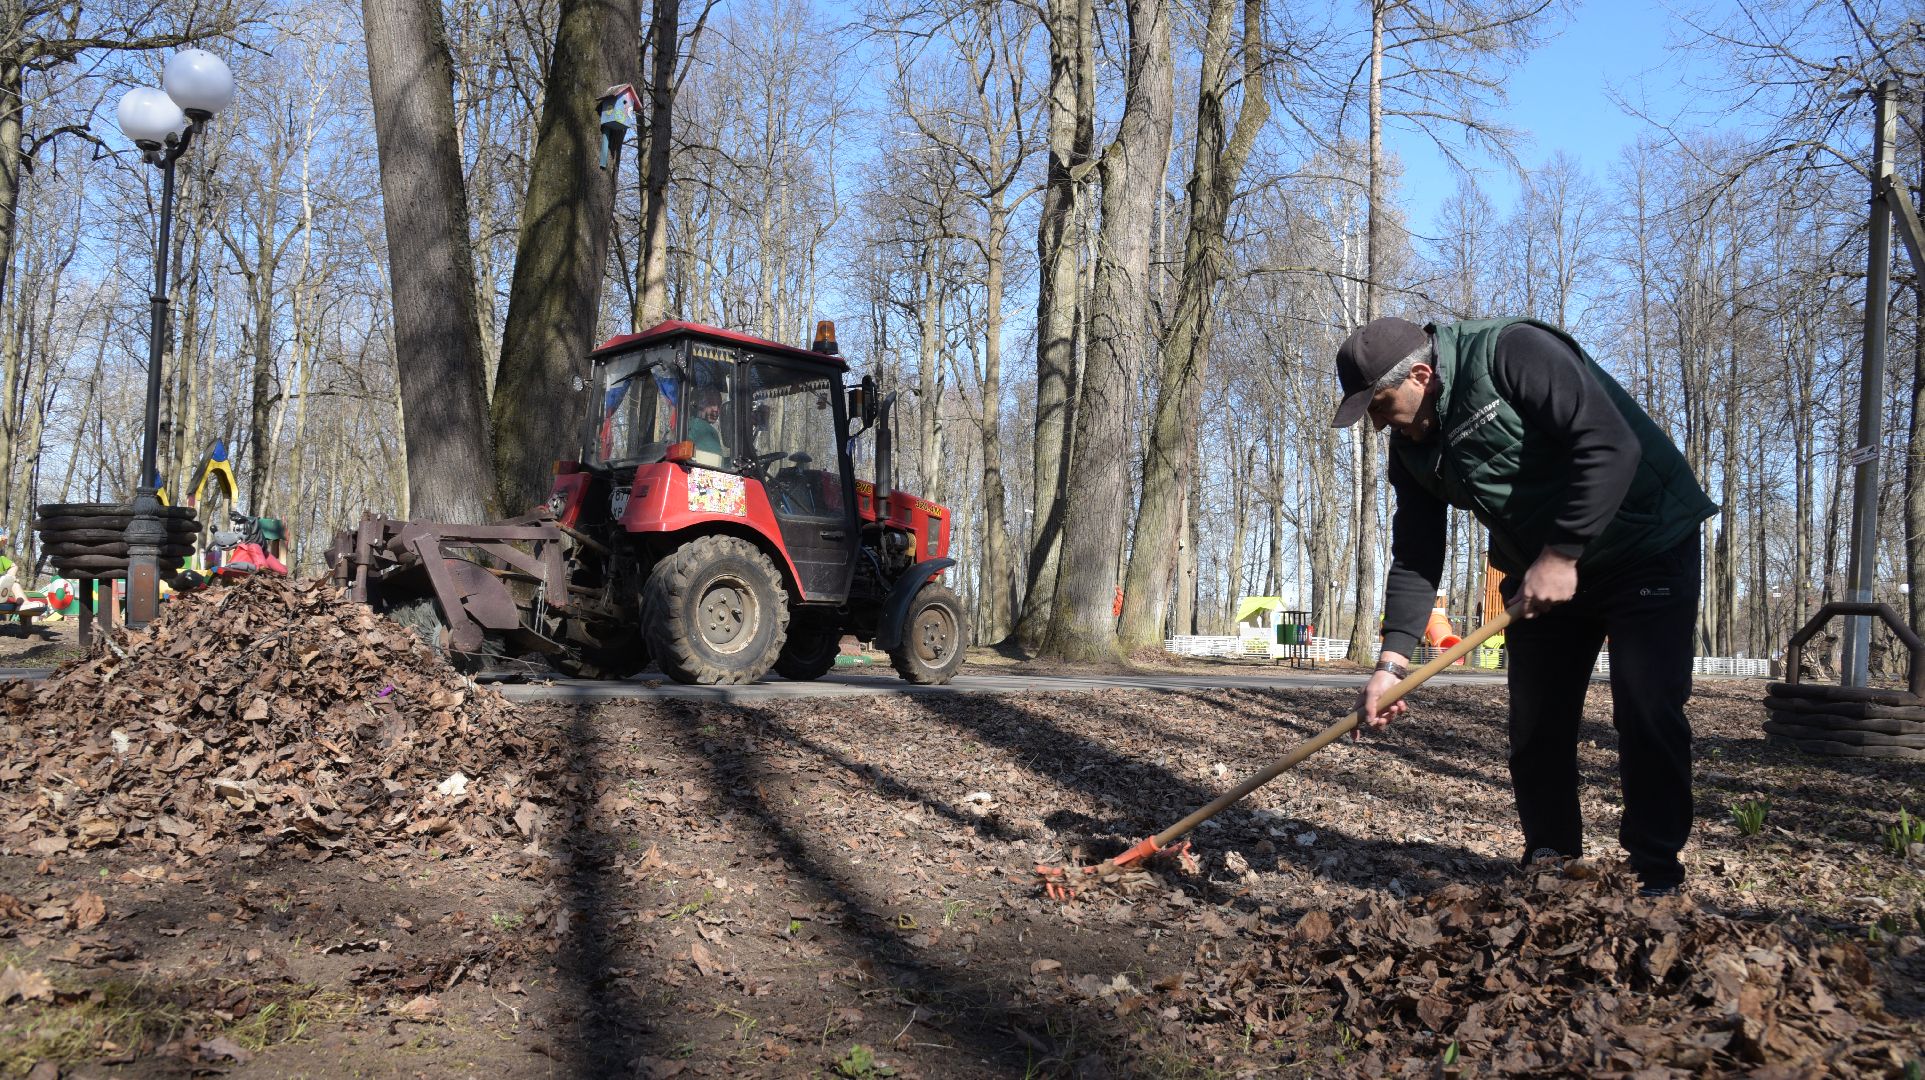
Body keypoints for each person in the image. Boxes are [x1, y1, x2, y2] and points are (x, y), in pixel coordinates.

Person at [1332, 316, 1716, 897]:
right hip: (1539, 572)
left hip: (1643, 544)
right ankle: (1552, 863)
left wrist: (1562, 554)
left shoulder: (1512, 353)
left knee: (1647, 708)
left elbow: (1611, 443)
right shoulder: (1411, 450)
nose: (1378, 423)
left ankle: (1654, 874)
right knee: (1536, 722)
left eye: (1381, 405)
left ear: (1420, 375)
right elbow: (1415, 555)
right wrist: (1390, 665)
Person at [688, 390, 725, 455]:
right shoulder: (703, 428)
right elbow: (716, 461)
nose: (716, 409)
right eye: (711, 403)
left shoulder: (688, 424)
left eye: (719, 405)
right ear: (699, 404)